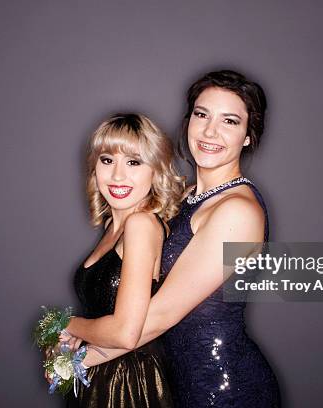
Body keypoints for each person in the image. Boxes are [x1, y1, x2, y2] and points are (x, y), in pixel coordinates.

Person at [65, 70, 281, 407]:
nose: (210, 131)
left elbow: (157, 316)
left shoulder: (238, 211)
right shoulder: (185, 196)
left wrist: (77, 352)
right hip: (173, 381)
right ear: (188, 120)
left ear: (248, 136)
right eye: (201, 114)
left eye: (230, 121)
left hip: (222, 389)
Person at [61, 113, 183, 407]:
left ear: (156, 170)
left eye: (133, 162)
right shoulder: (112, 226)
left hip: (128, 385)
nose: (117, 176)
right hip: (100, 376)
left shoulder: (141, 225)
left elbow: (126, 334)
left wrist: (68, 325)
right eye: (107, 160)